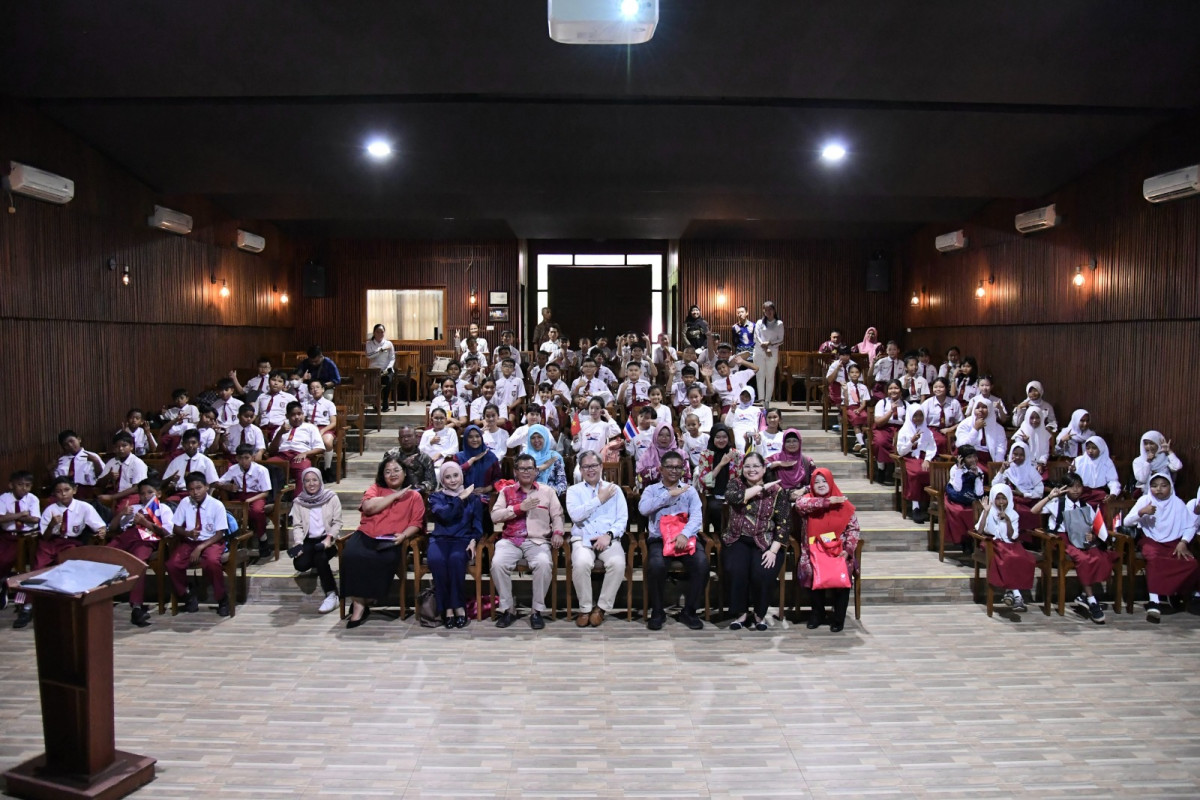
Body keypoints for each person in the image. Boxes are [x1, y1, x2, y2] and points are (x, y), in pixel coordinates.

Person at [341, 455, 425, 628]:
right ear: (382, 475)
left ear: (404, 473)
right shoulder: (375, 489)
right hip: (366, 534)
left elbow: (416, 523)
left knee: (383, 559)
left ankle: (368, 599)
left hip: (391, 539)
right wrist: (395, 496)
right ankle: (359, 605)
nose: (392, 474)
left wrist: (403, 536)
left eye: (396, 470)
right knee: (350, 555)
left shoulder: (414, 497)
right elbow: (369, 507)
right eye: (387, 471)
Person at [491, 453, 565, 630]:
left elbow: (558, 515)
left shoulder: (547, 491)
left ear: (536, 471)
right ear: (515, 472)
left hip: (537, 541)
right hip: (510, 540)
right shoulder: (506, 492)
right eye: (522, 468)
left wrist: (558, 532)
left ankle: (537, 611)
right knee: (497, 563)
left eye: (529, 468)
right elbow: (495, 516)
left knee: (543, 563)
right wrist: (518, 508)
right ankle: (508, 609)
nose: (526, 472)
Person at [1032, 474, 1118, 624]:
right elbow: (1034, 510)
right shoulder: (1057, 503)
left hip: (1082, 538)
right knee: (1083, 559)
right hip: (1062, 540)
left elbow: (1094, 526)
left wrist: (1093, 535)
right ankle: (1091, 600)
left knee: (1101, 556)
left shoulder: (1086, 506)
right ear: (1065, 488)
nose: (1076, 490)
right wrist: (1050, 497)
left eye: (1079, 486)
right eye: (1072, 486)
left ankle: (1084, 596)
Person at [639, 451, 707, 631]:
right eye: (670, 467)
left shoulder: (690, 490)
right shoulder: (651, 490)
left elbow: (697, 517)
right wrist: (669, 495)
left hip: (685, 538)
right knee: (656, 565)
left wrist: (685, 534)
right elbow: (644, 509)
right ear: (661, 469)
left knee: (701, 564)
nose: (674, 471)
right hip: (660, 539)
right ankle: (658, 611)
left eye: (678, 467)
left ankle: (689, 611)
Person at [723, 453, 791, 631]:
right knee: (736, 569)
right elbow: (735, 498)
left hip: (765, 541)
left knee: (763, 572)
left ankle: (760, 615)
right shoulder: (735, 484)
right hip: (737, 538)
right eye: (747, 466)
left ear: (763, 469)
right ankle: (741, 614)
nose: (751, 470)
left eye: (756, 466)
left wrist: (773, 551)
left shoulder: (778, 492)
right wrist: (761, 488)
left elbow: (784, 524)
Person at [1123, 473, 1200, 622]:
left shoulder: (1177, 503)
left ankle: (1173, 593)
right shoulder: (1145, 500)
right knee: (1154, 559)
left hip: (1173, 542)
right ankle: (1154, 601)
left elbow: (1190, 525)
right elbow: (1127, 522)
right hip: (1151, 540)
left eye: (1163, 486)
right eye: (1154, 485)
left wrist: (1183, 542)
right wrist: (1141, 512)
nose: (1158, 489)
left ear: (1170, 487)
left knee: (1192, 564)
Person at [566, 450, 629, 627]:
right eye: (586, 466)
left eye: (594, 465)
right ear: (580, 469)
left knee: (617, 564)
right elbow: (576, 515)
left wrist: (608, 536)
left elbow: (622, 519)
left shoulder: (614, 490)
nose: (590, 469)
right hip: (583, 539)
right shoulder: (574, 491)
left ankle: (601, 608)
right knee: (581, 563)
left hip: (608, 539)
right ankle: (585, 608)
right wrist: (599, 499)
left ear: (601, 466)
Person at [793, 468, 860, 632]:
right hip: (813, 550)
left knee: (844, 570)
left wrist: (848, 550)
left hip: (838, 550)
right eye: (816, 482)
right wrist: (828, 501)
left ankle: (839, 617)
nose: (821, 485)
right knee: (811, 570)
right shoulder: (807, 501)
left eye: (824, 481)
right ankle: (817, 613)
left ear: (831, 482)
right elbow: (800, 505)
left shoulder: (843, 503)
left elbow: (854, 530)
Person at [106, 478, 173, 627]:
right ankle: (99, 598)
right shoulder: (134, 508)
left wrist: (145, 523)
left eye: (150, 492)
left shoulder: (163, 509)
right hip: (127, 537)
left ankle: (136, 606)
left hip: (146, 541)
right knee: (105, 555)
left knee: (137, 565)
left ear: (159, 494)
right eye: (142, 494)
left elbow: (167, 533)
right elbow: (113, 528)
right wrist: (121, 514)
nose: (146, 496)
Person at [427, 461, 483, 628]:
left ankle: (458, 607)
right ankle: (447, 609)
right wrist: (459, 498)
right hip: (440, 539)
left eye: (455, 475)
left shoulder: (474, 499)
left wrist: (474, 540)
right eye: (447, 477)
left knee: (456, 560)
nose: (452, 480)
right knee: (437, 561)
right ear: (442, 480)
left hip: (462, 540)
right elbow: (445, 516)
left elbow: (478, 525)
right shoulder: (436, 497)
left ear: (462, 475)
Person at [167, 472, 231, 617]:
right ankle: (187, 594)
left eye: (198, 488)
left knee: (212, 562)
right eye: (191, 489)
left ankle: (222, 599)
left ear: (206, 487)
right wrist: (187, 534)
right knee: (172, 564)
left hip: (211, 541)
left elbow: (220, 533)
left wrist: (200, 547)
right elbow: (176, 527)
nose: (195, 493)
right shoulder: (185, 502)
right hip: (189, 541)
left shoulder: (216, 505)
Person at [287, 468, 342, 615]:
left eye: (314, 480)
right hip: (309, 541)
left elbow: (337, 523)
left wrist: (329, 538)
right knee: (300, 564)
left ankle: (332, 595)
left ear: (320, 481)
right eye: (307, 481)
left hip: (327, 540)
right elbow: (297, 526)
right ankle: (315, 561)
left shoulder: (331, 497)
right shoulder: (299, 502)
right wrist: (298, 543)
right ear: (303, 483)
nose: (311, 484)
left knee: (320, 556)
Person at [975, 484, 1037, 614]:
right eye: (998, 498)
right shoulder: (988, 510)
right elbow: (980, 531)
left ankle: (1010, 592)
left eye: (1004, 498)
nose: (1001, 502)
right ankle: (1017, 595)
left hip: (1010, 544)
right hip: (992, 543)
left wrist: (1007, 520)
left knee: (1024, 559)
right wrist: (985, 512)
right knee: (1008, 559)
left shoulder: (1013, 514)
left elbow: (1012, 536)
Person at [218, 444, 273, 559]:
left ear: (252, 457)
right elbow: (219, 482)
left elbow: (266, 492)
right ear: (236, 458)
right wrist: (228, 486)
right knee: (229, 512)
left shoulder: (261, 470)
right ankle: (233, 540)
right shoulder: (233, 469)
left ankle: (263, 540)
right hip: (239, 495)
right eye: (240, 458)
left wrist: (250, 500)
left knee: (257, 511)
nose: (243, 461)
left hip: (256, 496)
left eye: (246, 458)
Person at [0, 471, 39, 611]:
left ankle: (21, 597)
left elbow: (35, 519)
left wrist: (11, 516)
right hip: (8, 535)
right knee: (3, 559)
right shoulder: (4, 498)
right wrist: (22, 514)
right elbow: (1, 518)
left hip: (27, 537)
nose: (24, 488)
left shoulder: (33, 499)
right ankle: (3, 584)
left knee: (24, 564)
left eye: (28, 485)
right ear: (11, 485)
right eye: (20, 485)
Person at [695, 424, 742, 536]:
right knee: (716, 508)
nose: (721, 440)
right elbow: (705, 481)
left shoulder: (736, 454)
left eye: (724, 437)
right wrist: (721, 464)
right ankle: (719, 535)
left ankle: (734, 536)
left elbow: (740, 477)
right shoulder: (706, 455)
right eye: (718, 437)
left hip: (732, 494)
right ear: (712, 438)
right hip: (712, 494)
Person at [267, 402, 326, 486]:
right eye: (293, 415)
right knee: (267, 465)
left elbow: (320, 448)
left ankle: (299, 498)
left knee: (303, 469)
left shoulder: (310, 427)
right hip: (282, 455)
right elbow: (272, 450)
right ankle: (273, 497)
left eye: (299, 414)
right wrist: (280, 433)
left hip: (300, 455)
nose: (297, 417)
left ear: (303, 414)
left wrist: (305, 453)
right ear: (287, 416)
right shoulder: (281, 429)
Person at [895, 403, 936, 524]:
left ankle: (929, 506)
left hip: (923, 458)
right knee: (917, 474)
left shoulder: (927, 431)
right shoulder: (904, 431)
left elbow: (931, 447)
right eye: (915, 415)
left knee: (931, 473)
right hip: (909, 458)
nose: (918, 418)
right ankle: (915, 506)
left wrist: (927, 459)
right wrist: (911, 441)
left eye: (920, 415)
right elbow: (901, 451)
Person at [996, 442, 1045, 538]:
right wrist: (1001, 470)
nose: (1018, 457)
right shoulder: (1008, 470)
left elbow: (1040, 491)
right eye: (1015, 454)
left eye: (1021, 455)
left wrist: (1024, 494)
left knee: (1030, 512)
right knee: (1013, 510)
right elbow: (995, 486)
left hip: (1029, 500)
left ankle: (1028, 539)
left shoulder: (1031, 470)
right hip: (1012, 500)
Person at [944, 445, 986, 555]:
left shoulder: (978, 469)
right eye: (969, 457)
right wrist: (959, 470)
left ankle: (974, 540)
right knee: (959, 512)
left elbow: (979, 493)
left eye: (974, 457)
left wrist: (977, 477)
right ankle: (963, 540)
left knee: (976, 511)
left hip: (970, 498)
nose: (973, 460)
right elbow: (957, 488)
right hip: (955, 497)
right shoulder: (955, 469)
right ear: (962, 458)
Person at [452, 426, 503, 508]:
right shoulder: (458, 457)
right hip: (462, 498)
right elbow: (453, 475)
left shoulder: (491, 457)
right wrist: (470, 462)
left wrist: (486, 489)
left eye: (477, 436)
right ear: (465, 439)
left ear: (481, 438)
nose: (474, 440)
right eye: (470, 437)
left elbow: (498, 479)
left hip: (485, 499)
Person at [97, 431, 148, 513]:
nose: (120, 449)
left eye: (124, 446)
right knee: (96, 504)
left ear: (131, 446)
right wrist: (108, 477)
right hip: (114, 493)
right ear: (114, 449)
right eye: (117, 447)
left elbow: (136, 488)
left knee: (121, 510)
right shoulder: (112, 462)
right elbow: (99, 483)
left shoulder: (137, 463)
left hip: (130, 495)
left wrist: (112, 497)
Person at [163, 430, 219, 501]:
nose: (190, 446)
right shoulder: (176, 461)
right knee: (169, 501)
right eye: (187, 443)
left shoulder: (206, 461)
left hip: (199, 494)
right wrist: (172, 480)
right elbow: (165, 482)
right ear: (183, 444)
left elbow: (213, 482)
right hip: (180, 493)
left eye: (193, 443)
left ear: (199, 444)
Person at [385, 425, 438, 496]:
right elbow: (382, 477)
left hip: (417, 495)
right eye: (402, 437)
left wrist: (415, 490)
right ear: (398, 439)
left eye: (409, 436)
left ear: (416, 437)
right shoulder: (390, 455)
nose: (406, 439)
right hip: (393, 494)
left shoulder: (425, 458)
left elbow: (432, 483)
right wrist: (402, 466)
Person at [871, 380, 906, 485]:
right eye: (891, 388)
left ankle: (900, 470)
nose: (893, 391)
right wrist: (891, 411)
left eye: (896, 388)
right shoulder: (882, 403)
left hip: (901, 428)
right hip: (884, 427)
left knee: (903, 444)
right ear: (887, 390)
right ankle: (881, 468)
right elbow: (878, 422)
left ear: (900, 390)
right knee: (879, 442)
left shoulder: (906, 404)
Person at [765, 429, 814, 501]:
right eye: (788, 441)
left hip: (801, 499)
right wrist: (778, 463)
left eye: (794, 441)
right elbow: (759, 467)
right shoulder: (775, 458)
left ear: (799, 442)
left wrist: (803, 490)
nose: (791, 444)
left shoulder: (807, 461)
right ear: (783, 443)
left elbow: (815, 482)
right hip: (777, 499)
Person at [53, 429, 103, 500]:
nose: (70, 445)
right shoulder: (61, 460)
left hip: (87, 492)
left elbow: (102, 476)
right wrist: (51, 470)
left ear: (79, 439)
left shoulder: (93, 456)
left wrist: (96, 462)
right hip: (65, 493)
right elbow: (56, 480)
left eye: (71, 441)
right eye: (66, 444)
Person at [955, 397, 1006, 465]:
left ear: (990, 409)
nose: (980, 410)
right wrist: (975, 429)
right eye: (977, 407)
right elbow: (962, 445)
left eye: (984, 407)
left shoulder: (998, 428)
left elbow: (1000, 449)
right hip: (970, 458)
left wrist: (997, 465)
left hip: (990, 458)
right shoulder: (965, 424)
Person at [302, 380, 338, 474]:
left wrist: (323, 431)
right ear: (309, 391)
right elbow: (303, 419)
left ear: (323, 389)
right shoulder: (306, 404)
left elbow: (333, 422)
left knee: (327, 441)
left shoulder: (329, 404)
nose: (315, 390)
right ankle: (307, 468)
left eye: (317, 387)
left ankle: (327, 468)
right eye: (312, 388)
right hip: (309, 428)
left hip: (325, 428)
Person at [754, 301, 784, 409]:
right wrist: (764, 346)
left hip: (772, 352)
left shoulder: (779, 323)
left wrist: (769, 344)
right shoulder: (759, 323)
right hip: (759, 352)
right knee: (760, 375)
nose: (768, 312)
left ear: (774, 310)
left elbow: (781, 340)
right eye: (765, 310)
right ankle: (761, 400)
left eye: (770, 309)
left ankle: (767, 400)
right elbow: (757, 337)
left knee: (770, 376)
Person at [1073, 437, 1120, 506]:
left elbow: (1113, 481)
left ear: (1101, 448)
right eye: (1088, 448)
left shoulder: (1107, 462)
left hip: (1099, 493)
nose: (1090, 451)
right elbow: (1071, 481)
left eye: (1094, 448)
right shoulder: (1079, 460)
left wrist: (1113, 494)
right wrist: (1071, 472)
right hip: (1081, 492)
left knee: (1105, 500)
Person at [1132, 431, 1182, 496]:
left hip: (1166, 495)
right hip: (1147, 495)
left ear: (1158, 444)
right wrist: (1147, 462)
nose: (1149, 446)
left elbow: (1178, 466)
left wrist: (1169, 451)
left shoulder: (1166, 458)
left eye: (1151, 443)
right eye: (1146, 444)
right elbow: (1142, 479)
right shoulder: (1138, 461)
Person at [637, 421, 686, 486]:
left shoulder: (681, 454)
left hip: (678, 490)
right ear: (655, 435)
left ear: (672, 436)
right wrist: (658, 470)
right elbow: (640, 477)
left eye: (668, 435)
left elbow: (686, 476)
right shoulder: (647, 454)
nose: (664, 438)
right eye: (660, 435)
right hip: (653, 491)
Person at [921, 377, 962, 454]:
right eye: (935, 387)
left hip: (950, 431)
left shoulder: (954, 403)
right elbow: (921, 422)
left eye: (941, 387)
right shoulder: (927, 403)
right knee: (940, 441)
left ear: (947, 388)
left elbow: (961, 421)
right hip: (932, 430)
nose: (938, 389)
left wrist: (950, 429)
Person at [524, 424, 567, 496]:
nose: (536, 440)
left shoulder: (554, 457)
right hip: (529, 496)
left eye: (540, 437)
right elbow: (522, 482)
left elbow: (562, 483)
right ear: (529, 439)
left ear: (545, 438)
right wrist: (542, 467)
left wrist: (553, 491)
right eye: (533, 438)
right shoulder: (524, 458)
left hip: (550, 496)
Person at [255, 370, 297, 441]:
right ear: (268, 381)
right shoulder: (261, 397)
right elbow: (256, 414)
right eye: (273, 380)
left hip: (280, 428)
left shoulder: (290, 398)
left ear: (284, 385)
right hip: (263, 428)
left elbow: (296, 414)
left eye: (280, 381)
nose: (276, 383)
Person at [842, 363, 873, 456]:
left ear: (860, 374)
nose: (854, 374)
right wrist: (845, 391)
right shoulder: (846, 386)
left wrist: (859, 409)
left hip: (860, 407)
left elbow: (864, 402)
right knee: (856, 419)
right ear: (848, 374)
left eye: (857, 372)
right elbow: (846, 403)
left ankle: (858, 441)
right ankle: (863, 445)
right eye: (852, 372)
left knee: (865, 417)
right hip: (850, 408)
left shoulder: (863, 387)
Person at [366, 323, 397, 410]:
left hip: (386, 369)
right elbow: (369, 356)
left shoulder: (389, 343)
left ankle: (385, 401)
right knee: (373, 383)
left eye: (382, 332)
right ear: (374, 333)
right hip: (374, 370)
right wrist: (381, 350)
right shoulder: (369, 344)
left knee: (388, 380)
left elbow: (392, 358)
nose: (380, 334)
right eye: (378, 332)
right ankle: (376, 402)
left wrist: (388, 368)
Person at [724, 386, 764, 451]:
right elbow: (728, 424)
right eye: (743, 395)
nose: (744, 398)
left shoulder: (756, 410)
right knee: (740, 444)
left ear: (751, 397)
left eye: (747, 396)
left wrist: (751, 433)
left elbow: (759, 425)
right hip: (738, 431)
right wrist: (732, 411)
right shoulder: (734, 408)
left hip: (752, 431)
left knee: (755, 442)